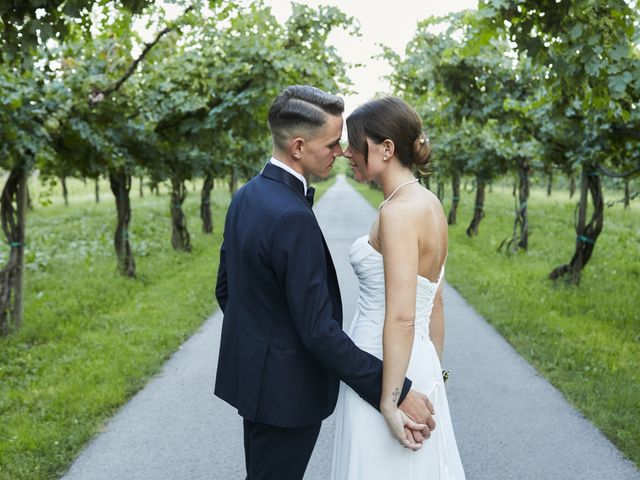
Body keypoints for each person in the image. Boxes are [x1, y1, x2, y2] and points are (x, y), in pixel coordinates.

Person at [214, 86, 435, 480]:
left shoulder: (245, 196)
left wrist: (262, 346)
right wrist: (394, 392)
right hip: (287, 393)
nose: (341, 152)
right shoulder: (291, 216)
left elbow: (226, 290)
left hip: (254, 384)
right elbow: (317, 332)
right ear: (298, 146)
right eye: (333, 143)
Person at [331, 96, 466, 479]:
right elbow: (435, 301)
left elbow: (403, 317)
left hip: (384, 367)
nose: (346, 153)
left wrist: (390, 401)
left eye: (356, 145)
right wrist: (433, 376)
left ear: (386, 148)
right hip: (418, 361)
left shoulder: (397, 212)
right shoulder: (429, 203)